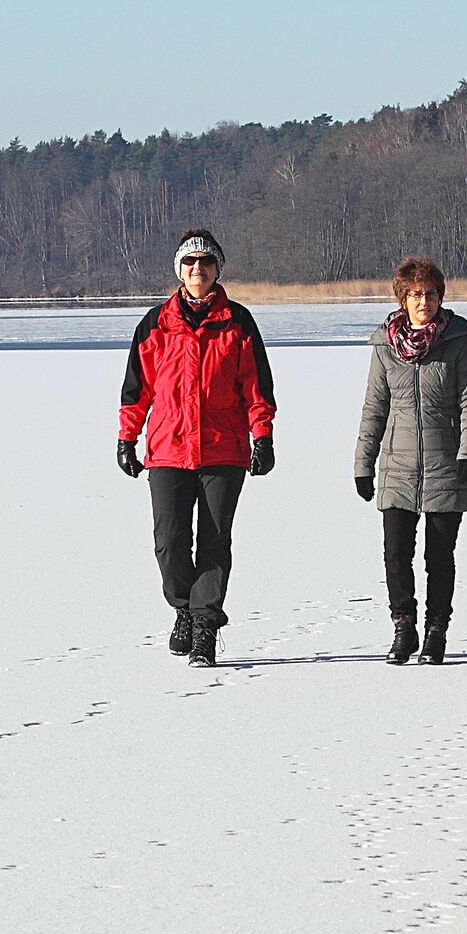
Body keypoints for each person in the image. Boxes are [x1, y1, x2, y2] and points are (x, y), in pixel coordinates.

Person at [117, 229, 276, 667]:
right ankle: (183, 607)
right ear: (179, 270)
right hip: (168, 449)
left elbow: (257, 388)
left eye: (205, 262)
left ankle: (205, 627)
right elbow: (137, 389)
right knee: (169, 542)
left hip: (223, 451)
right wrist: (126, 438)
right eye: (189, 263)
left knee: (214, 541)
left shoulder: (238, 322)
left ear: (217, 269)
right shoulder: (155, 324)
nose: (197, 269)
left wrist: (262, 435)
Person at [353, 255, 467, 665]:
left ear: (439, 296)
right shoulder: (385, 345)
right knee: (396, 553)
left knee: (439, 555)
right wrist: (363, 463)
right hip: (397, 466)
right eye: (415, 294)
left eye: (429, 293)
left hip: (447, 464)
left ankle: (436, 631)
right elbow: (374, 406)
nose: (423, 301)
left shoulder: (458, 340)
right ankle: (403, 627)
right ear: (402, 299)